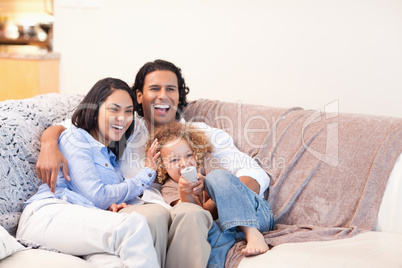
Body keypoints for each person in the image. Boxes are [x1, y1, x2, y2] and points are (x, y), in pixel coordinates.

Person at [35, 59, 271, 268]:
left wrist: (213, 206)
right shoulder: (125, 127)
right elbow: (75, 127)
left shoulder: (200, 133)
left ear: (179, 96)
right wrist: (48, 145)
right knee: (151, 218)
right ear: (139, 95)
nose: (163, 96)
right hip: (144, 214)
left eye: (171, 89)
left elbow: (252, 173)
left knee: (190, 214)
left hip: (190, 214)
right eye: (154, 88)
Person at [17, 78, 160, 268]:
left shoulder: (111, 156)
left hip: (77, 219)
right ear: (94, 111)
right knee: (133, 226)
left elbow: (97, 199)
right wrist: (147, 173)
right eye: (114, 109)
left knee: (116, 262)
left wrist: (111, 204)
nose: (123, 118)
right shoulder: (75, 138)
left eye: (128, 111)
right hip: (48, 214)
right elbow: (97, 195)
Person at [147, 122, 274, 267]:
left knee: (216, 177)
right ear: (163, 168)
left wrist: (207, 185)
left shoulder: (206, 162)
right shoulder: (169, 188)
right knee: (205, 233)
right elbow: (197, 216)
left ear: (196, 153)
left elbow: (227, 187)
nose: (184, 163)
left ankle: (251, 232)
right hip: (227, 232)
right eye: (174, 160)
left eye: (189, 155)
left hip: (255, 216)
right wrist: (184, 192)